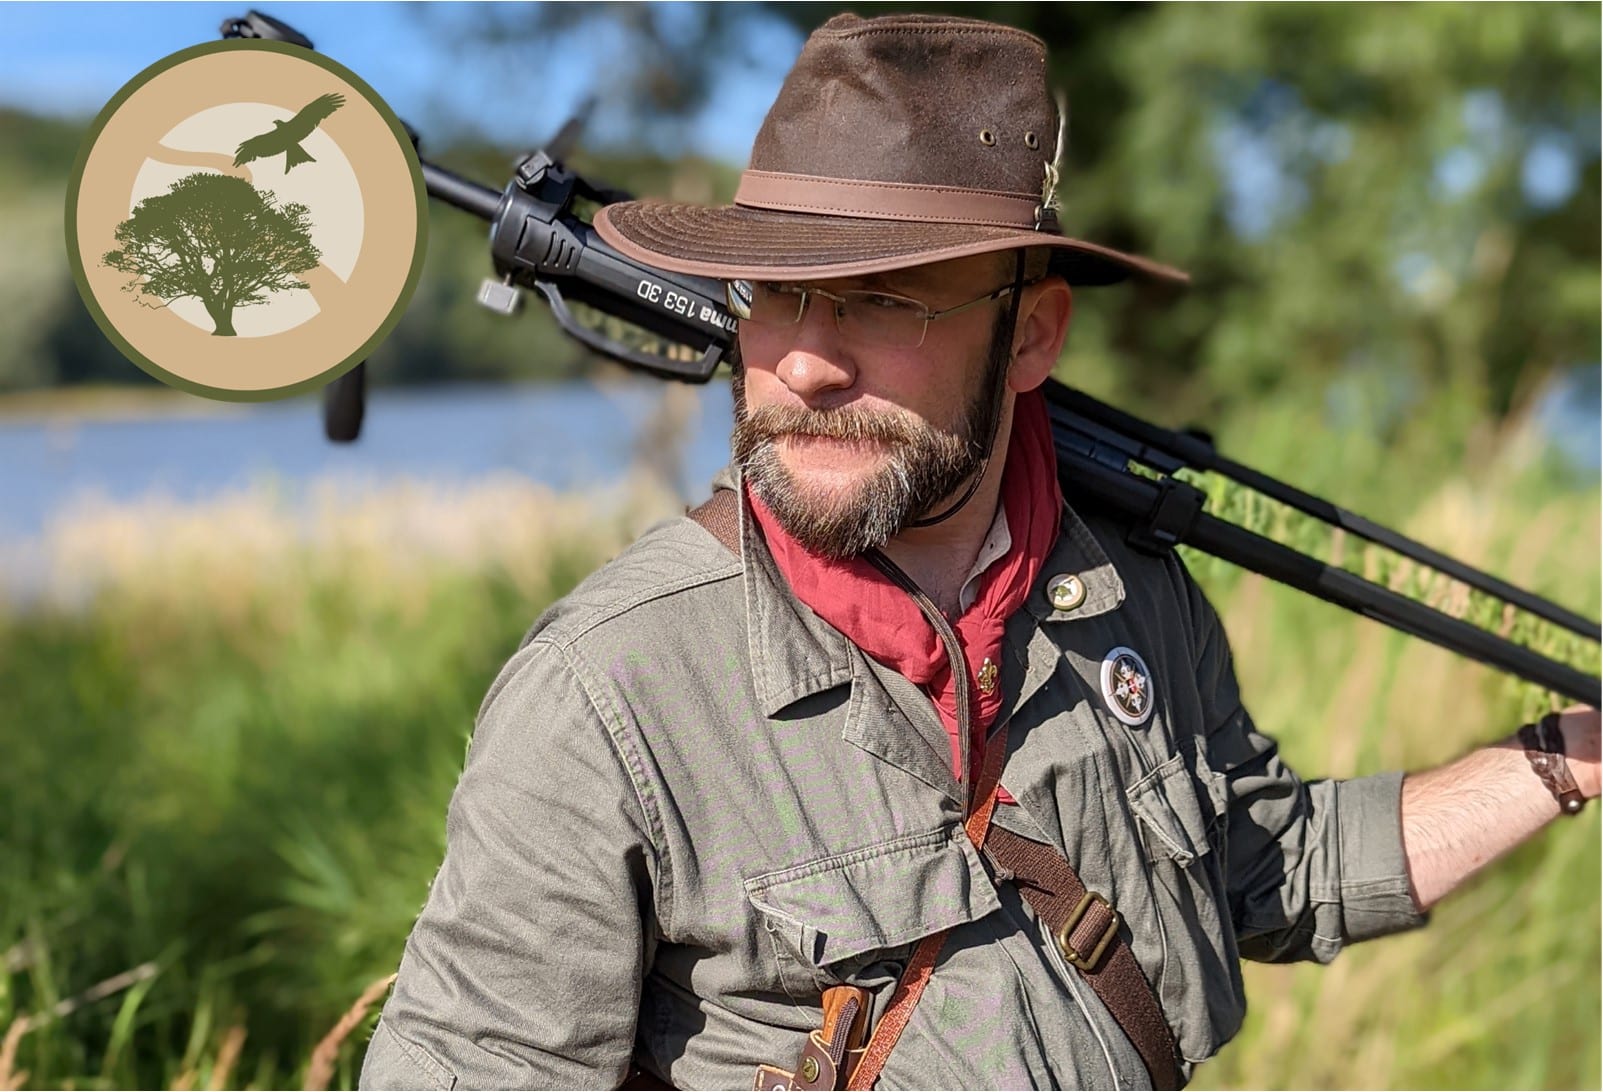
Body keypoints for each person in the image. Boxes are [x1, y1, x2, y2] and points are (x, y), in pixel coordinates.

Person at [360, 13, 1599, 1090]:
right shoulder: (607, 692)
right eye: (774, 295)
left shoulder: (1127, 593)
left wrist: (1561, 761)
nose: (804, 361)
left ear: (1030, 336)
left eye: (886, 300)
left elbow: (1268, 872)